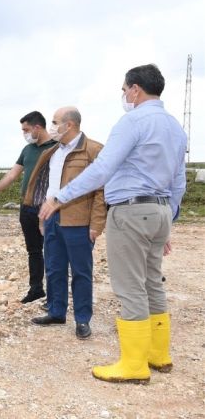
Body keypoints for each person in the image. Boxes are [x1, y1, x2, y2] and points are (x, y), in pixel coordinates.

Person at [39, 64, 187, 382]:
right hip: (159, 210)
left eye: (124, 89)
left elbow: (102, 170)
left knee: (131, 287)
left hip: (131, 212)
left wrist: (59, 198)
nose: (123, 95)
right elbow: (179, 181)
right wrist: (168, 219)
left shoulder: (132, 122)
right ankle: (159, 356)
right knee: (152, 284)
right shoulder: (175, 127)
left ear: (135, 89)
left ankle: (133, 365)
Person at [26, 106, 106, 339]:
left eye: (55, 121)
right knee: (54, 267)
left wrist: (96, 224)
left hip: (79, 221)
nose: (52, 126)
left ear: (69, 125)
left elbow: (102, 189)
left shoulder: (93, 150)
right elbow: (47, 186)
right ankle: (56, 311)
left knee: (81, 271)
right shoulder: (52, 152)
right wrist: (43, 215)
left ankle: (82, 319)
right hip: (52, 219)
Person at [0, 111, 56, 303]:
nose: (24, 134)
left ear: (37, 127)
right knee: (34, 251)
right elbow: (12, 175)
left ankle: (55, 295)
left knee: (53, 251)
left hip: (49, 208)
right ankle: (36, 289)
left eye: (26, 130)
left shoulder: (57, 148)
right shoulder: (27, 150)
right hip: (27, 208)